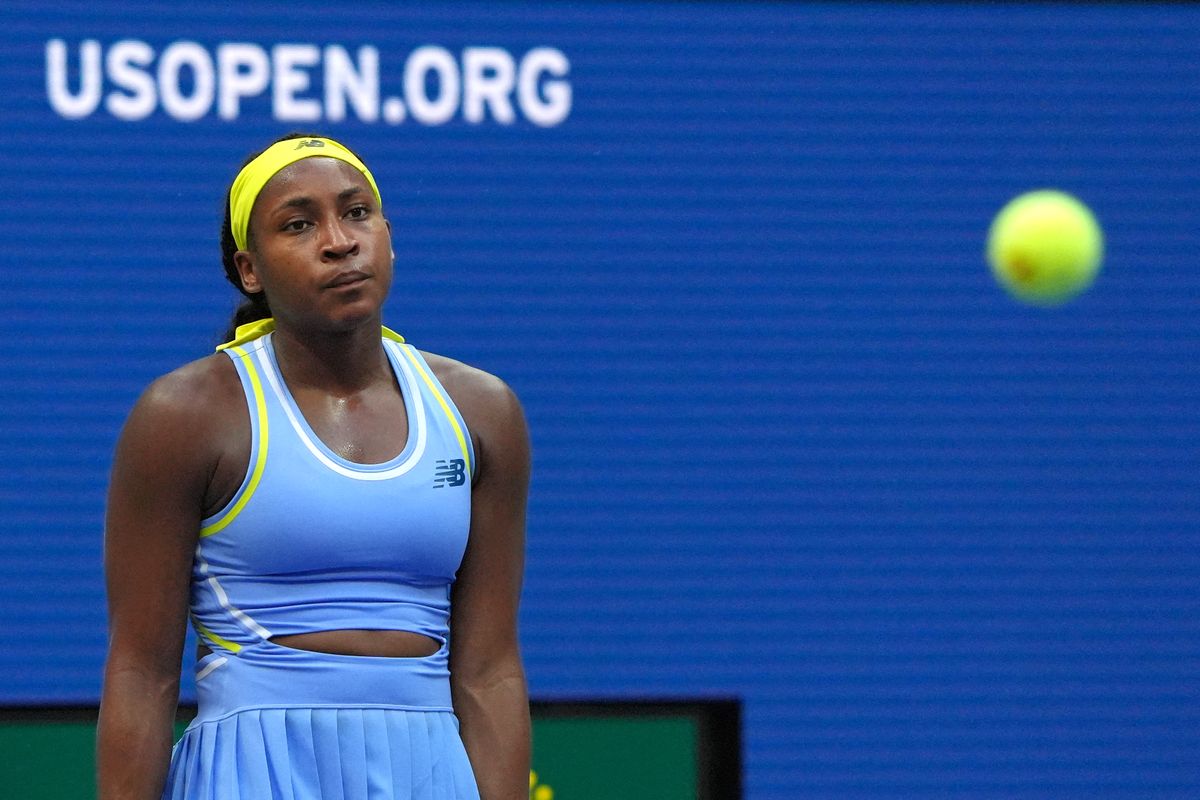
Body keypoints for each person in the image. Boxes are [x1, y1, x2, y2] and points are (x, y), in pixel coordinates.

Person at [97, 133, 531, 800]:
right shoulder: (183, 416)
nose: (338, 241)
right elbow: (141, 673)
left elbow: (490, 669)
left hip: (431, 767)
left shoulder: (483, 411)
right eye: (299, 224)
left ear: (388, 234)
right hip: (248, 771)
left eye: (357, 213)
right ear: (250, 269)